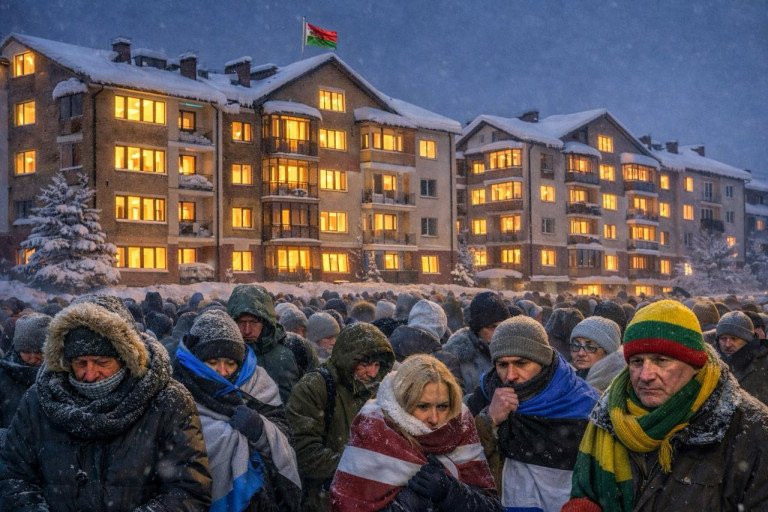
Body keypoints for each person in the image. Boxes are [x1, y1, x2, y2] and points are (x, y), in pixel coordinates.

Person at [0, 294, 211, 511]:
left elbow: (189, 489)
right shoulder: (38, 401)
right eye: (81, 363)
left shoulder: (169, 402)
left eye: (102, 362)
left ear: (126, 357)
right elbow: (13, 477)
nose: (90, 375)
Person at [563, 299, 768, 511]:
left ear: (695, 364)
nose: (646, 375)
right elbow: (586, 492)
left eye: (661, 360)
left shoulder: (751, 429)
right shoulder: (607, 417)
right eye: (637, 361)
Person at [330, 354, 501, 511]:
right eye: (423, 406)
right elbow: (345, 506)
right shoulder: (376, 435)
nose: (434, 419)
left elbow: (491, 507)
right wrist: (411, 501)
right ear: (402, 404)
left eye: (442, 406)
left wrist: (451, 492)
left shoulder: (460, 427)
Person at [466, 316, 599, 511]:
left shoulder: (586, 404)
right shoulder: (486, 395)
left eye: (521, 363)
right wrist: (488, 421)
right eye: (502, 365)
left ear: (542, 361)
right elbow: (466, 465)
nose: (510, 375)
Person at [174, 309, 302, 511]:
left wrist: (260, 430)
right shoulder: (178, 392)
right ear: (197, 360)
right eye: (213, 362)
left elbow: (286, 439)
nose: (223, 372)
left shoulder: (258, 384)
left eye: (230, 363)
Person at [286, 323, 395, 512]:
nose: (372, 373)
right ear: (348, 358)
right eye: (365, 363)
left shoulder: (380, 391)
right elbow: (302, 451)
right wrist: (358, 466)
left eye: (377, 365)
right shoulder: (314, 387)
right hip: (323, 500)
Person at [228, 284, 318, 404]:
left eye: (254, 322)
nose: (247, 330)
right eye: (241, 322)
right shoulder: (224, 353)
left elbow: (317, 396)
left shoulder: (296, 347)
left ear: (266, 321)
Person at [444, 291, 511, 393]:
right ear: (477, 328)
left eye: (502, 326)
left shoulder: (515, 351)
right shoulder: (457, 358)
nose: (498, 332)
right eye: (491, 327)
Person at [389, 299, 463, 388]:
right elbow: (457, 398)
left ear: (412, 318)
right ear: (442, 326)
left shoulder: (388, 349)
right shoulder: (446, 362)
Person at [0, 312, 49, 440]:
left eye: (39, 352)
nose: (32, 358)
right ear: (17, 349)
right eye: (26, 351)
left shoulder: (59, 376)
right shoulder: (3, 376)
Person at [714, 310, 768, 404]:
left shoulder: (763, 363)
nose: (727, 344)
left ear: (747, 340)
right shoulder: (711, 364)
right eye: (723, 338)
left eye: (734, 339)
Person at [569, 316, 624, 393]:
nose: (580, 353)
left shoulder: (615, 389)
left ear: (608, 352)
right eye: (576, 345)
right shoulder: (568, 378)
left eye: (590, 347)